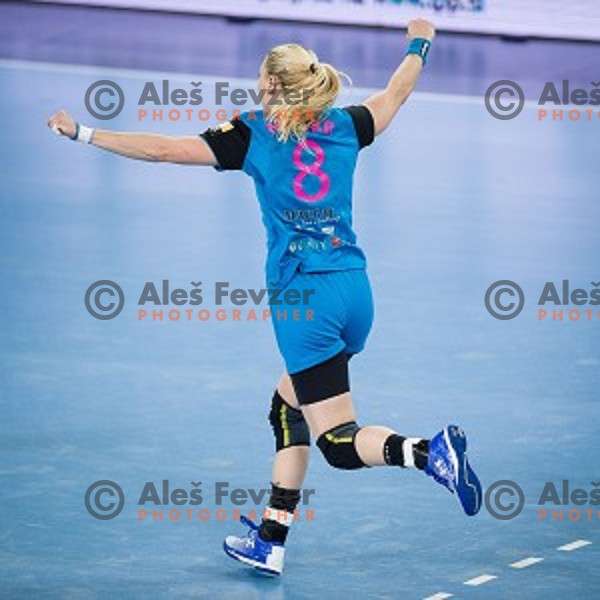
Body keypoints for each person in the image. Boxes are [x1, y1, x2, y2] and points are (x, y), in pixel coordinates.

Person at [48, 18, 481, 577]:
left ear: (276, 86)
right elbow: (397, 91)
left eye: (260, 76)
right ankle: (271, 538)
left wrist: (83, 132)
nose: (254, 83)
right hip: (355, 292)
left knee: (338, 442)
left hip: (305, 302)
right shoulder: (348, 125)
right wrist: (420, 42)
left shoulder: (252, 134)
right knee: (286, 406)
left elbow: (160, 150)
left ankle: (429, 452)